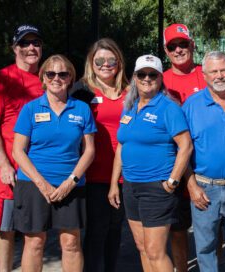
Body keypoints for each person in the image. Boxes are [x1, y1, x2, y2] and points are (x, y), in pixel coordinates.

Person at [107, 54, 193, 272]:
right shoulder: (129, 107)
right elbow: (121, 146)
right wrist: (114, 183)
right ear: (134, 78)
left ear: (160, 78)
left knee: (155, 251)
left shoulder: (168, 108)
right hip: (131, 186)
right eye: (142, 74)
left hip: (157, 188)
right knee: (142, 247)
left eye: (152, 74)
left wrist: (173, 180)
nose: (146, 78)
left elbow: (186, 146)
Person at [12, 54, 96, 272]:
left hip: (71, 184)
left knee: (71, 244)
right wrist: (42, 184)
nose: (56, 78)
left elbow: (89, 151)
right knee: (34, 243)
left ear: (70, 78)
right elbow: (18, 151)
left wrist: (70, 182)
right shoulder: (30, 109)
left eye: (63, 74)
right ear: (43, 77)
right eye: (51, 73)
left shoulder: (82, 109)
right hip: (33, 185)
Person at [0, 24, 44, 272]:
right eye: (25, 43)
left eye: (36, 42)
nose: (31, 48)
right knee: (6, 229)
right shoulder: (1, 79)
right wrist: (4, 164)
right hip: (10, 171)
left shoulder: (49, 79)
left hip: (40, 170)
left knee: (35, 233)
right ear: (14, 48)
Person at [182, 51, 225, 272]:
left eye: (224, 70)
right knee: (205, 248)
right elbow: (181, 150)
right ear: (204, 75)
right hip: (204, 189)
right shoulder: (191, 105)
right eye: (214, 71)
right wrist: (191, 186)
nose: (220, 75)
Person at [70, 38, 129, 272]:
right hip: (94, 174)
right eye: (99, 60)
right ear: (91, 63)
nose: (106, 64)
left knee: (115, 231)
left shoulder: (131, 91)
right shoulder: (81, 90)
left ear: (119, 62)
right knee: (96, 232)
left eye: (111, 59)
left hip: (125, 174)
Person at [162, 23, 207, 272]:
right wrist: (188, 181)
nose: (178, 50)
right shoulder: (159, 80)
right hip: (176, 165)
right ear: (166, 51)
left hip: (208, 165)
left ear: (192, 45)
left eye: (183, 44)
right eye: (172, 46)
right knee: (178, 230)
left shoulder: (207, 74)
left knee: (210, 230)